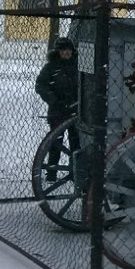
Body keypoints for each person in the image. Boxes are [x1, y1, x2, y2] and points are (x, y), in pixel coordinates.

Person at [35, 37, 80, 182]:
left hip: (76, 109)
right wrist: (54, 100)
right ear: (58, 51)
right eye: (63, 50)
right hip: (57, 110)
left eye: (68, 50)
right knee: (56, 142)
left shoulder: (79, 65)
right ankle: (51, 172)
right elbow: (41, 85)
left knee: (76, 143)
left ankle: (76, 172)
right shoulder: (50, 67)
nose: (66, 52)